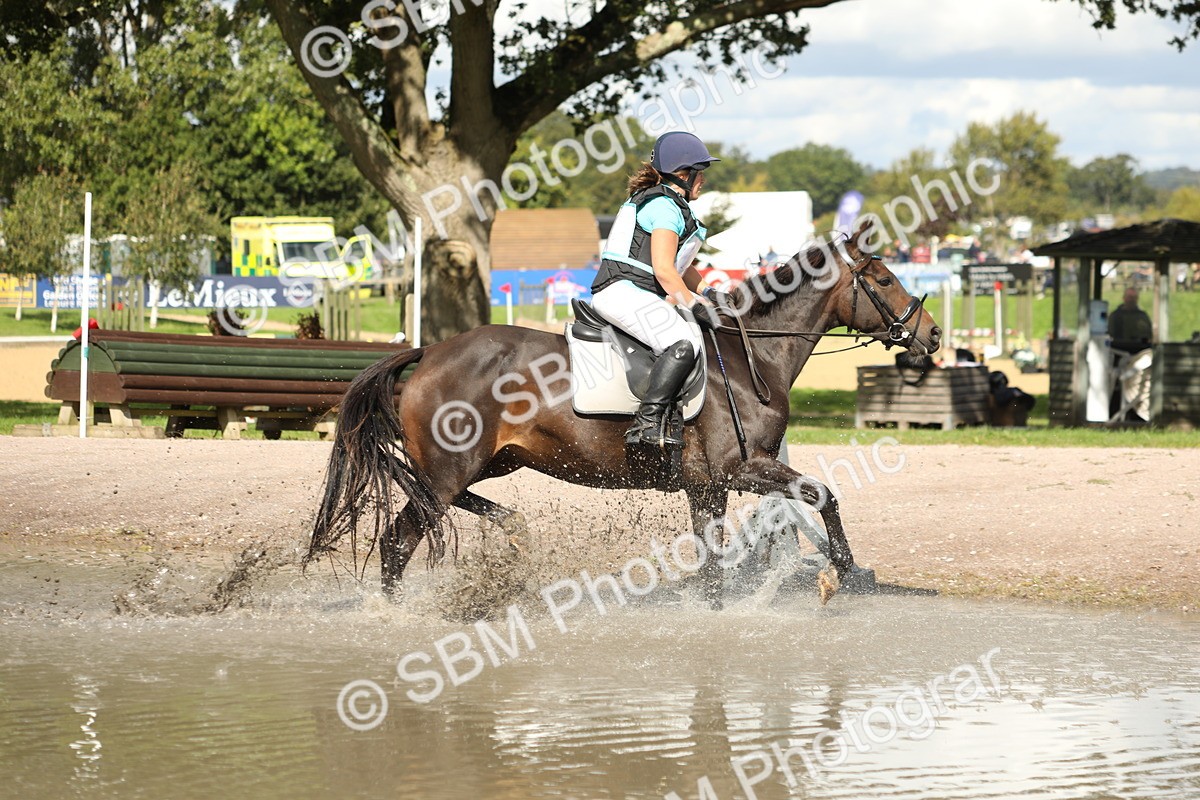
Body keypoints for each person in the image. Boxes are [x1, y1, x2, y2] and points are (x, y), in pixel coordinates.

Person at [591, 131, 728, 448]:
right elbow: (665, 271)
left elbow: (682, 266)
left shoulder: (668, 203)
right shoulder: (665, 207)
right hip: (623, 291)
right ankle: (647, 423)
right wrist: (695, 307)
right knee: (683, 340)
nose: (703, 180)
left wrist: (712, 294)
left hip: (633, 292)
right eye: (700, 173)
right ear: (683, 174)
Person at [1107, 287, 1153, 353]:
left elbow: (1149, 336)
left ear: (1137, 299)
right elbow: (1109, 336)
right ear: (1124, 298)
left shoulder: (1143, 316)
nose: (1132, 300)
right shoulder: (1115, 316)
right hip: (1118, 350)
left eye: (1134, 297)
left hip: (1139, 351)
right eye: (1130, 297)